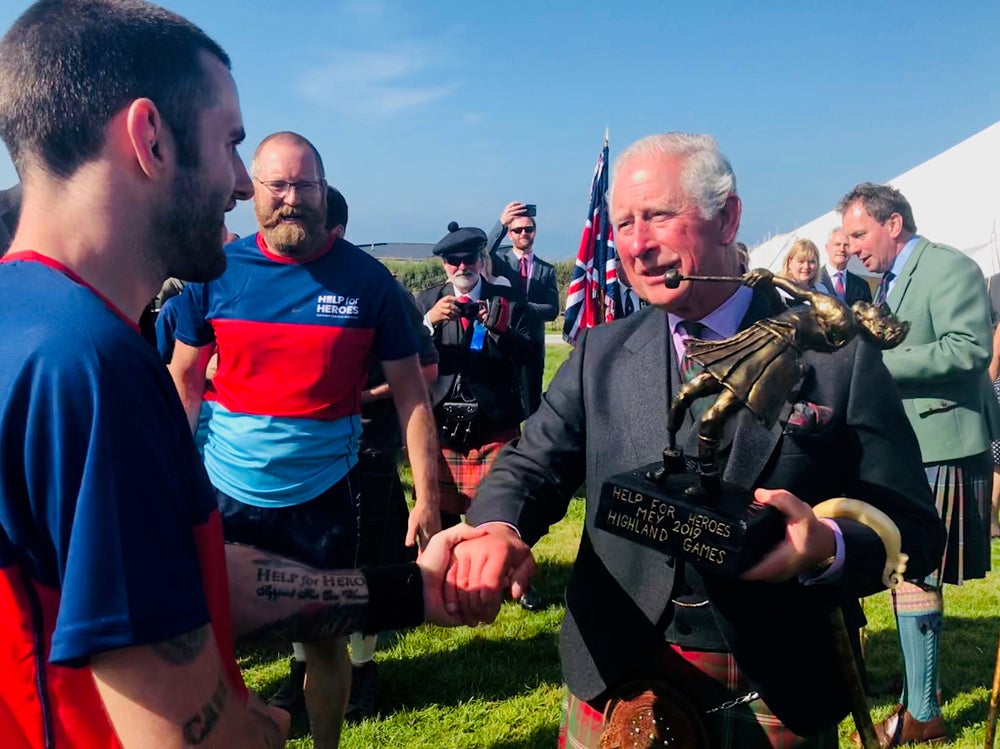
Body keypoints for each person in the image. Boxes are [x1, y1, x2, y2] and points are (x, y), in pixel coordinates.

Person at [0, 2, 511, 747]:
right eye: (230, 145)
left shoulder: (31, 323)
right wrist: (252, 728)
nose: (243, 185)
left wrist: (410, 588)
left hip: (320, 503)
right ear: (150, 138)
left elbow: (186, 584)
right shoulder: (94, 369)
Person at [449, 133, 945, 748]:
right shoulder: (600, 353)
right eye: (624, 223)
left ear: (727, 216)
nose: (636, 244)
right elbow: (533, 464)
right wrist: (501, 526)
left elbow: (915, 529)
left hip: (775, 680)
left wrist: (829, 546)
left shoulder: (839, 360)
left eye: (658, 215)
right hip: (613, 664)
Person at [167, 131, 440, 747]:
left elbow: (412, 397)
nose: (292, 198)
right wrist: (171, 483)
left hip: (322, 497)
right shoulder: (213, 274)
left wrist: (426, 496)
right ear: (253, 193)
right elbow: (183, 382)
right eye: (278, 186)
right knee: (205, 643)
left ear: (324, 190)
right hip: (224, 493)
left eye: (305, 185)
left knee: (324, 639)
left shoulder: (370, 284)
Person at [840, 182, 995, 745]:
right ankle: (916, 701)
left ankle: (922, 713)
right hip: (909, 447)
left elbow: (968, 349)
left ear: (894, 224)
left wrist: (878, 367)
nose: (853, 246)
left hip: (946, 445)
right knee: (906, 573)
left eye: (860, 234)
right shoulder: (890, 279)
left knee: (915, 572)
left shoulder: (948, 267)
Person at [416, 223, 534, 528]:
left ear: (481, 259)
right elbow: (406, 354)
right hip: (442, 425)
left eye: (469, 258)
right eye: (454, 261)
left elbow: (529, 356)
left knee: (497, 515)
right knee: (441, 521)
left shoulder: (509, 299)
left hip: (494, 423)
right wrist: (428, 323)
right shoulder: (428, 302)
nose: (462, 267)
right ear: (444, 264)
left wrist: (502, 329)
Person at [486, 202, 560, 416]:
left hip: (532, 345)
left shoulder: (546, 270)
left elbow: (552, 309)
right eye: (517, 230)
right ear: (510, 234)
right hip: (502, 339)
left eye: (528, 229)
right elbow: (484, 251)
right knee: (500, 400)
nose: (523, 233)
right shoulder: (500, 263)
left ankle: (532, 447)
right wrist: (501, 223)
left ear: (535, 231)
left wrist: (522, 308)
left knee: (531, 406)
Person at [820, 227, 872, 305]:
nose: (842, 249)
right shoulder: (814, 281)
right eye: (837, 244)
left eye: (846, 245)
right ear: (827, 248)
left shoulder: (862, 286)